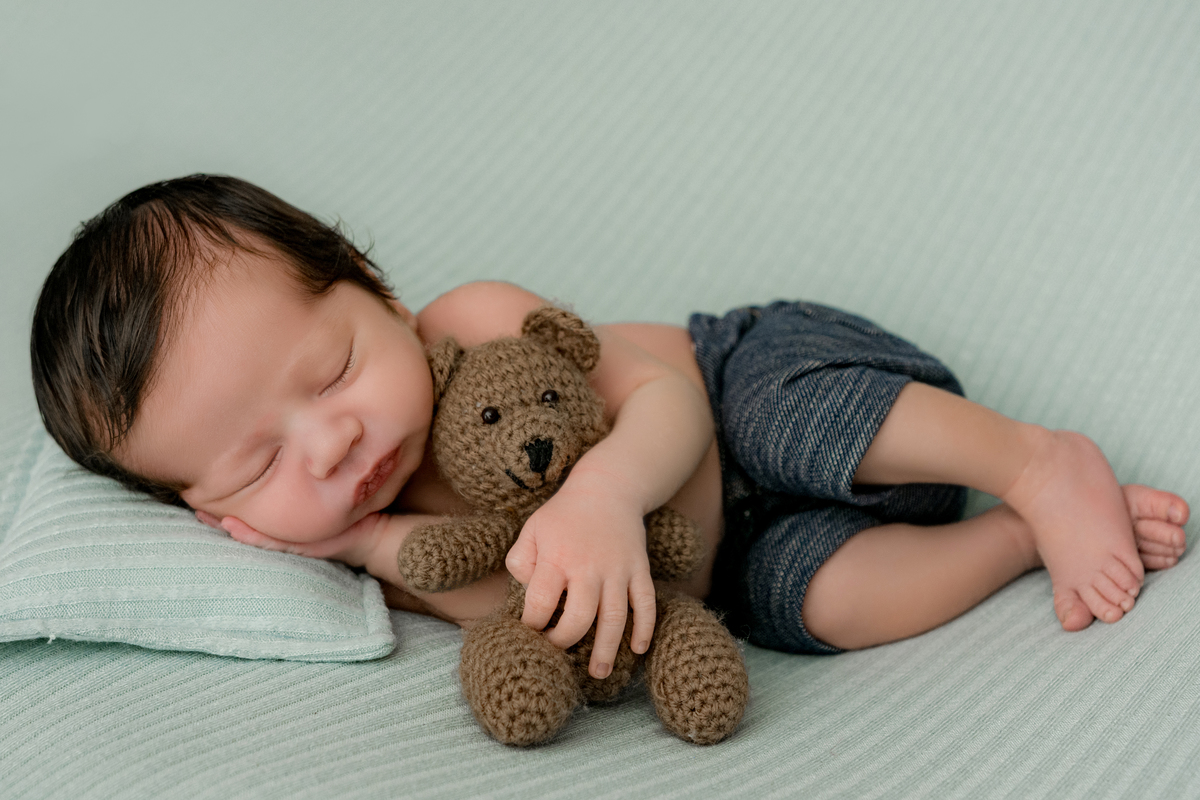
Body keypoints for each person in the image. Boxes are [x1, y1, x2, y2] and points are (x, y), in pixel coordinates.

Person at [31, 174, 1189, 680]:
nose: (329, 443)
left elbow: (665, 403)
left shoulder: (471, 320)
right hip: (725, 566)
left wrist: (600, 494)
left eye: (332, 368)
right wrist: (366, 549)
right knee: (814, 607)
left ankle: (1032, 460)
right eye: (261, 462)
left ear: (375, 289)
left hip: (742, 382)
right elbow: (533, 611)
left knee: (794, 419)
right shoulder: (384, 544)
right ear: (215, 512)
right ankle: (1013, 541)